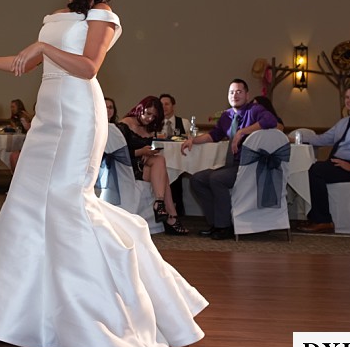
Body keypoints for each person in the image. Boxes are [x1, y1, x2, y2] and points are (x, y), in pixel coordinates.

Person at [0, 0, 206, 347]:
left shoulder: (103, 15)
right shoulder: (56, 17)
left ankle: (99, 308)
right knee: (26, 201)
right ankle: (17, 314)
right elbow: (27, 61)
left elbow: (89, 66)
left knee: (68, 201)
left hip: (78, 115)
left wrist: (43, 48)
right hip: (47, 116)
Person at [181, 78, 278, 240]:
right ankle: (216, 224)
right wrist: (193, 140)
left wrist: (242, 132)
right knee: (197, 179)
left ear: (247, 95)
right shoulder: (227, 116)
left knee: (217, 179)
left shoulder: (254, 110)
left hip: (251, 166)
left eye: (239, 91)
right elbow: (214, 135)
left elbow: (271, 121)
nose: (235, 95)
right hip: (234, 166)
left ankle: (224, 226)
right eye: (231, 92)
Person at [296, 85, 350, 233]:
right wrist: (296, 138)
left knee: (316, 171)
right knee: (309, 167)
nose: (349, 101)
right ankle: (312, 216)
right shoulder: (344, 122)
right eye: (347, 97)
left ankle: (323, 220)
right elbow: (324, 139)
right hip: (338, 164)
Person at [117, 96, 188, 235]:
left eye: (154, 116)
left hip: (142, 164)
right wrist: (140, 152)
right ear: (140, 109)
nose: (150, 118)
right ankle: (170, 215)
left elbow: (146, 150)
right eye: (148, 114)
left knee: (160, 165)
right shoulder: (125, 125)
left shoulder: (149, 127)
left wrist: (147, 153)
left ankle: (162, 207)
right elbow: (118, 153)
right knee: (162, 169)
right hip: (126, 166)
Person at [158, 92, 187, 220]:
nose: (164, 107)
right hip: (160, 157)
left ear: (173, 106)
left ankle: (178, 210)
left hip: (180, 159)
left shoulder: (184, 122)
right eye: (161, 105)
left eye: (167, 104)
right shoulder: (154, 123)